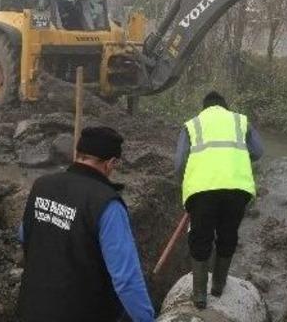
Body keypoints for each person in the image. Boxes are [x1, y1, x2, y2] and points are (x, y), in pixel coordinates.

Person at [17, 126, 155, 322]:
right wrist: (146, 319)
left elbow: (24, 234)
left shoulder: (42, 185)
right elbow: (126, 279)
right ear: (111, 163)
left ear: (78, 154)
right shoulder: (106, 204)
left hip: (31, 309)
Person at [174, 91, 264, 309]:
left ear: (204, 108)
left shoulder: (193, 124)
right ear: (225, 106)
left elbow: (179, 163)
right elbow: (258, 151)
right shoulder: (240, 121)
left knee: (200, 237)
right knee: (227, 234)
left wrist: (186, 184)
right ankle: (218, 285)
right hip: (237, 189)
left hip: (202, 190)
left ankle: (199, 296)